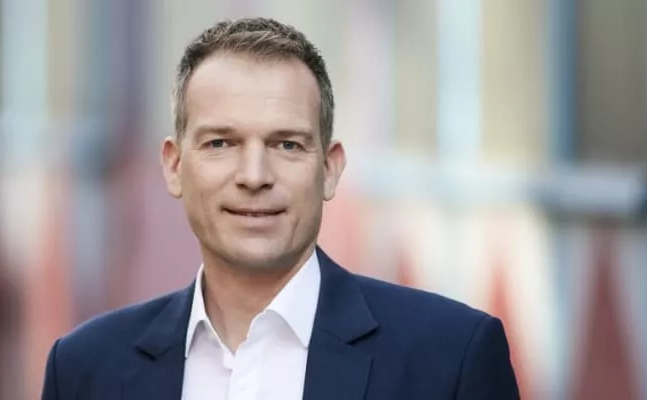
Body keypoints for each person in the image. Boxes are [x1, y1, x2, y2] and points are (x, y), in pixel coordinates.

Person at [41, 17, 519, 400]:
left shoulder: (451, 360)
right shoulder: (85, 369)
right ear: (174, 165)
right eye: (221, 143)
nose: (254, 175)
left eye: (287, 144)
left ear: (329, 169)